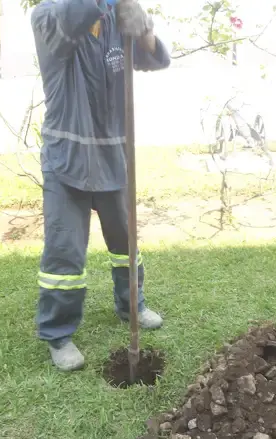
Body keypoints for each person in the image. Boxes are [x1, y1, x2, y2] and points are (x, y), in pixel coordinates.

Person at [30, 0, 171, 371]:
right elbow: (73, 16)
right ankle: (58, 333)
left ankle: (131, 305)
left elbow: (153, 59)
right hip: (67, 160)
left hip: (113, 157)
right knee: (65, 253)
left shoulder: (115, 18)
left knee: (126, 242)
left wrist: (144, 29)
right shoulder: (48, 16)